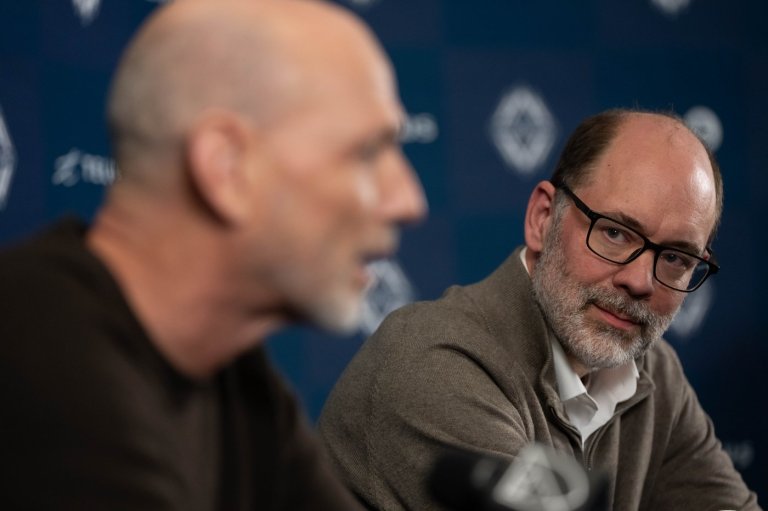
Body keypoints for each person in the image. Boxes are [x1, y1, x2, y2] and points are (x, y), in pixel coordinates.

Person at [0, 0, 426, 509]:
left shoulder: (234, 376)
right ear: (227, 167)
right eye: (367, 153)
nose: (409, 202)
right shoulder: (38, 358)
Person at [319, 109, 761, 510]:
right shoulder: (432, 363)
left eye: (676, 259)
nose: (640, 281)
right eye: (615, 234)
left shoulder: (655, 372)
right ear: (543, 219)